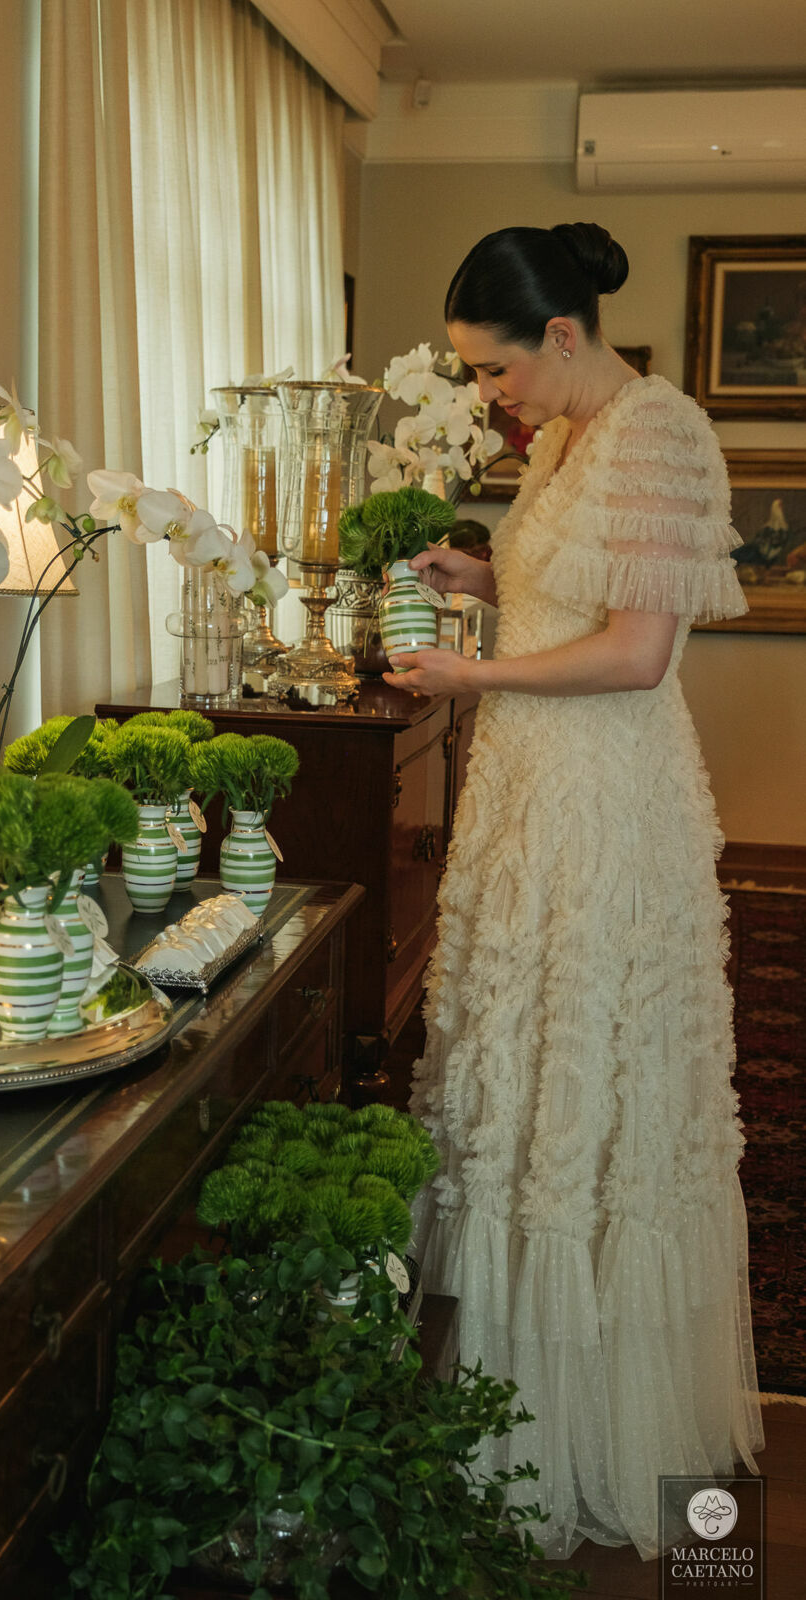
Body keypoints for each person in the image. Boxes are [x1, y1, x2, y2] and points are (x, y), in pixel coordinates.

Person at [389, 223, 763, 1561]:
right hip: (531, 792)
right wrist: (479, 581)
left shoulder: (659, 436)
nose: (489, 400)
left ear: (559, 337)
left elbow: (630, 654)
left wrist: (469, 678)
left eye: (494, 372)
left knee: (592, 1075)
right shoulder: (559, 441)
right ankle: (513, 1389)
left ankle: (599, 1413)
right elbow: (565, 598)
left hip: (604, 802)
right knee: (525, 1056)